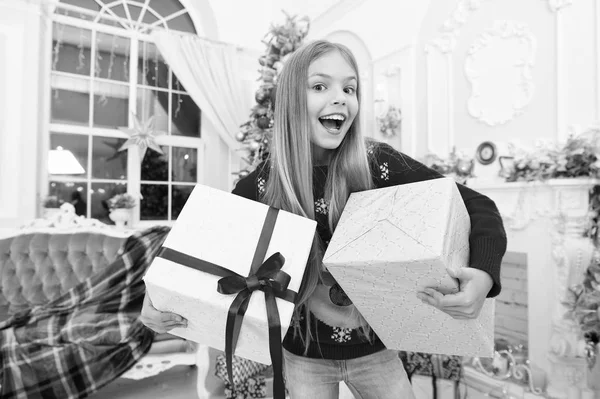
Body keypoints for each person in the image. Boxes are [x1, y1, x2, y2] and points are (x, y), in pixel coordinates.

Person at [140, 40, 507, 398]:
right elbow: (197, 261)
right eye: (320, 86)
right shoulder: (261, 187)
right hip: (301, 358)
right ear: (290, 102)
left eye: (350, 88)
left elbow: (477, 204)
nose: (341, 97)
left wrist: (485, 273)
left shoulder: (378, 164)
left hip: (376, 352)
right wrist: (157, 299)